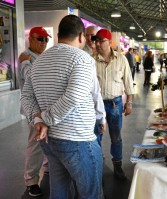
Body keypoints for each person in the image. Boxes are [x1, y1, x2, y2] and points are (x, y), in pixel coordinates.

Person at [21, 15, 104, 199]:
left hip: (50, 141)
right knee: (91, 194)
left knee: (59, 191)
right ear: (82, 36)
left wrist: (37, 119)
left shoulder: (39, 62)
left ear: (58, 35)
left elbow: (26, 96)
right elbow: (74, 96)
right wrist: (44, 119)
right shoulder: (82, 59)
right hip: (78, 140)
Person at [92, 29, 135, 180]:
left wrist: (129, 102)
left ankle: (117, 165)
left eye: (101, 41)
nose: (97, 44)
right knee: (96, 137)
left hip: (115, 104)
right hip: (96, 106)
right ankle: (98, 166)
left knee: (116, 137)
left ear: (110, 43)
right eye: (95, 40)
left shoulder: (121, 60)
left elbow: (128, 82)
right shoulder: (91, 60)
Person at [18, 26, 51, 197]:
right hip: (34, 109)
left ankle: (47, 168)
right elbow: (31, 78)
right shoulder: (26, 57)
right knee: (35, 143)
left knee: (45, 141)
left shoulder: (42, 56)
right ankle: (31, 180)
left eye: (46, 39)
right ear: (30, 39)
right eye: (40, 39)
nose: (44, 43)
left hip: (45, 107)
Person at [83, 26, 107, 147]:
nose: (89, 38)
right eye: (86, 35)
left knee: (102, 128)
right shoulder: (82, 52)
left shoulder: (102, 52)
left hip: (105, 98)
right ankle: (97, 151)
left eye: (92, 35)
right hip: (89, 99)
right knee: (92, 131)